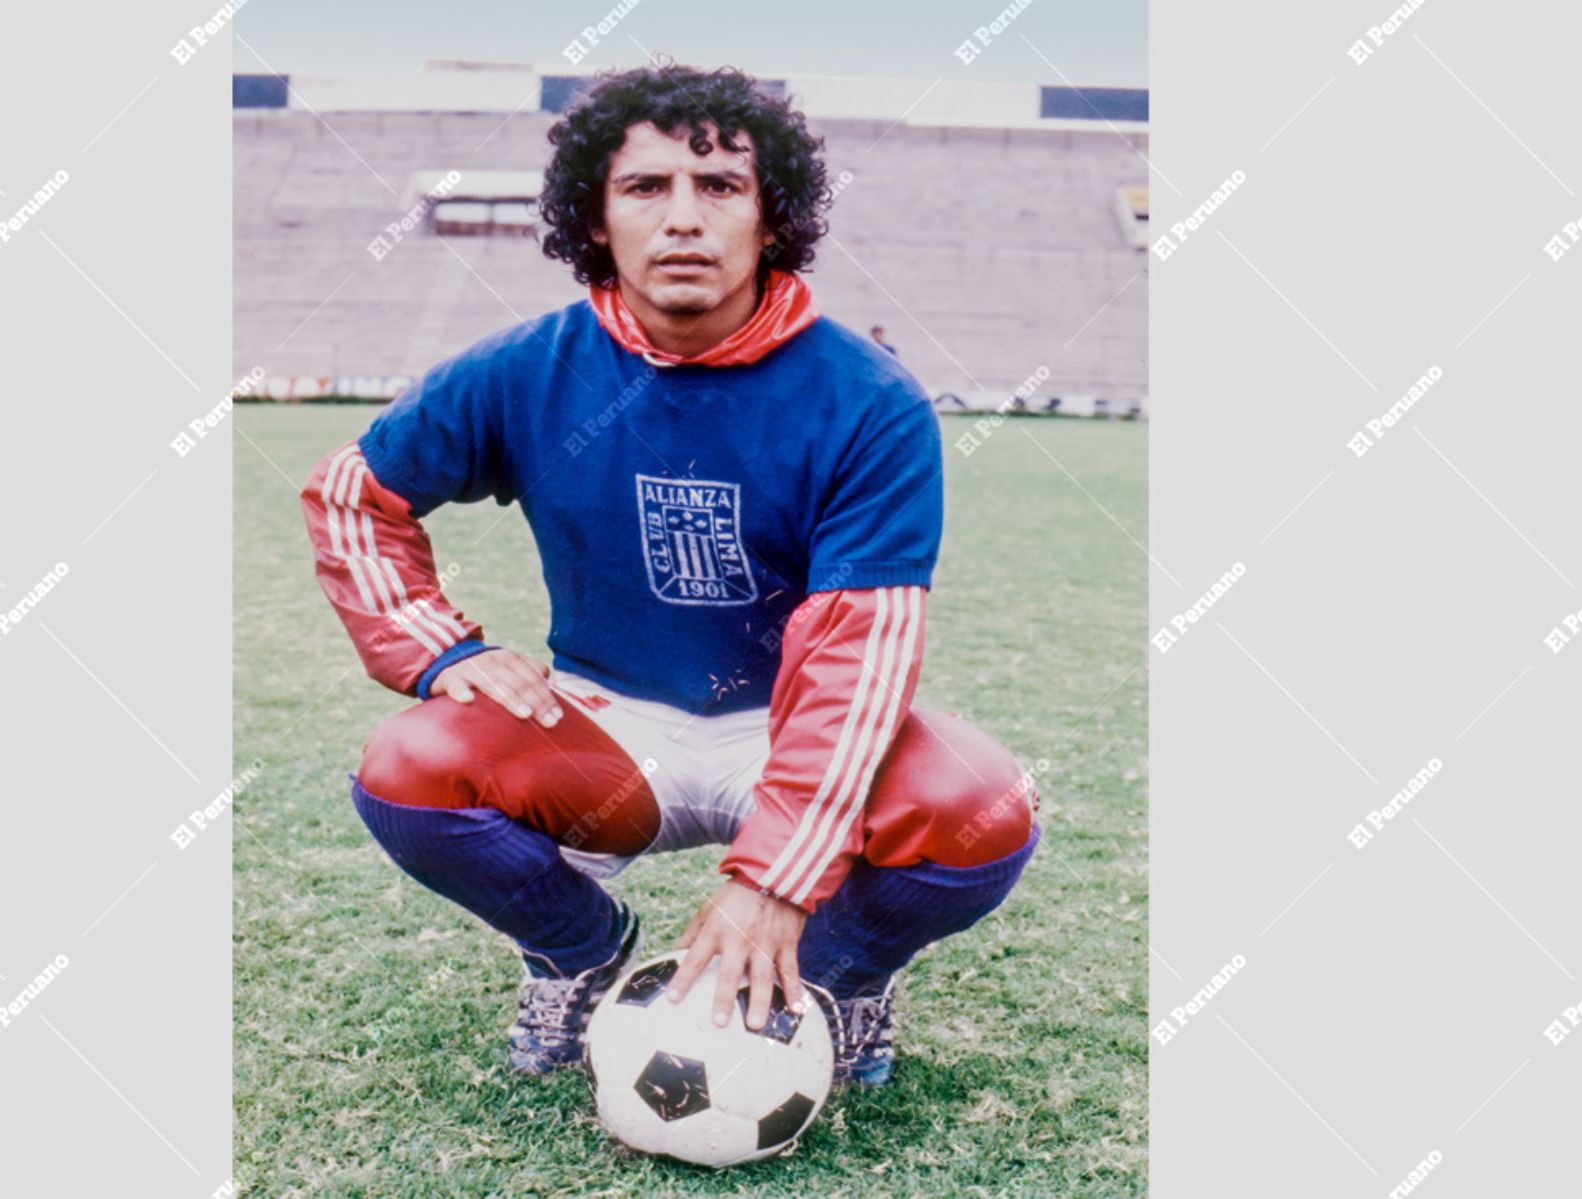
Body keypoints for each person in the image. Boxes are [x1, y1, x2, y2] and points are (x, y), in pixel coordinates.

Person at [300, 62, 1039, 1088]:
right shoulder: (523, 368)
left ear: (770, 215)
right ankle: (578, 954)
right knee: (408, 765)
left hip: (787, 725)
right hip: (608, 729)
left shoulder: (868, 399)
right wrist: (439, 649)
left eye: (720, 187)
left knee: (981, 807)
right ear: (594, 219)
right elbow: (352, 497)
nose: (683, 218)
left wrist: (775, 882)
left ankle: (830, 982)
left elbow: (853, 660)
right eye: (646, 187)